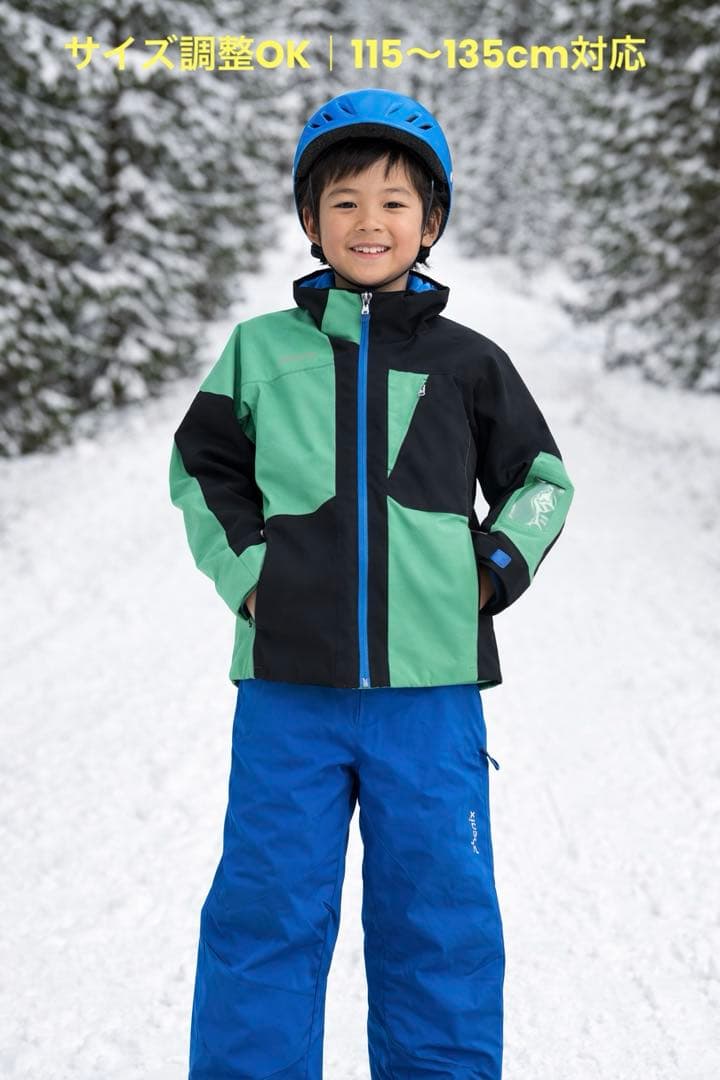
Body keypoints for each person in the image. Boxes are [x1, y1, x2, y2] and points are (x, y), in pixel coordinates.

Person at [169, 86, 574, 1080]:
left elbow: (540, 483)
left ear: (430, 223)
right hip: (288, 690)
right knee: (265, 912)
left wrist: (491, 571)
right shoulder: (262, 350)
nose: (369, 221)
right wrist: (251, 575)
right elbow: (203, 466)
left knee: (439, 921)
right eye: (343, 200)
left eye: (395, 202)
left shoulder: (470, 362)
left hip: (431, 697)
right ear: (310, 220)